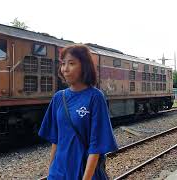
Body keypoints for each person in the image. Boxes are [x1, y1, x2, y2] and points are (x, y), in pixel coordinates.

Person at [38, 44, 118, 179]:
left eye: (71, 63)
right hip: (59, 173)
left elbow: (96, 146)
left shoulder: (95, 97)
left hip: (83, 173)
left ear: (84, 66)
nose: (65, 69)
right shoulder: (58, 97)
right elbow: (56, 140)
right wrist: (51, 172)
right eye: (63, 64)